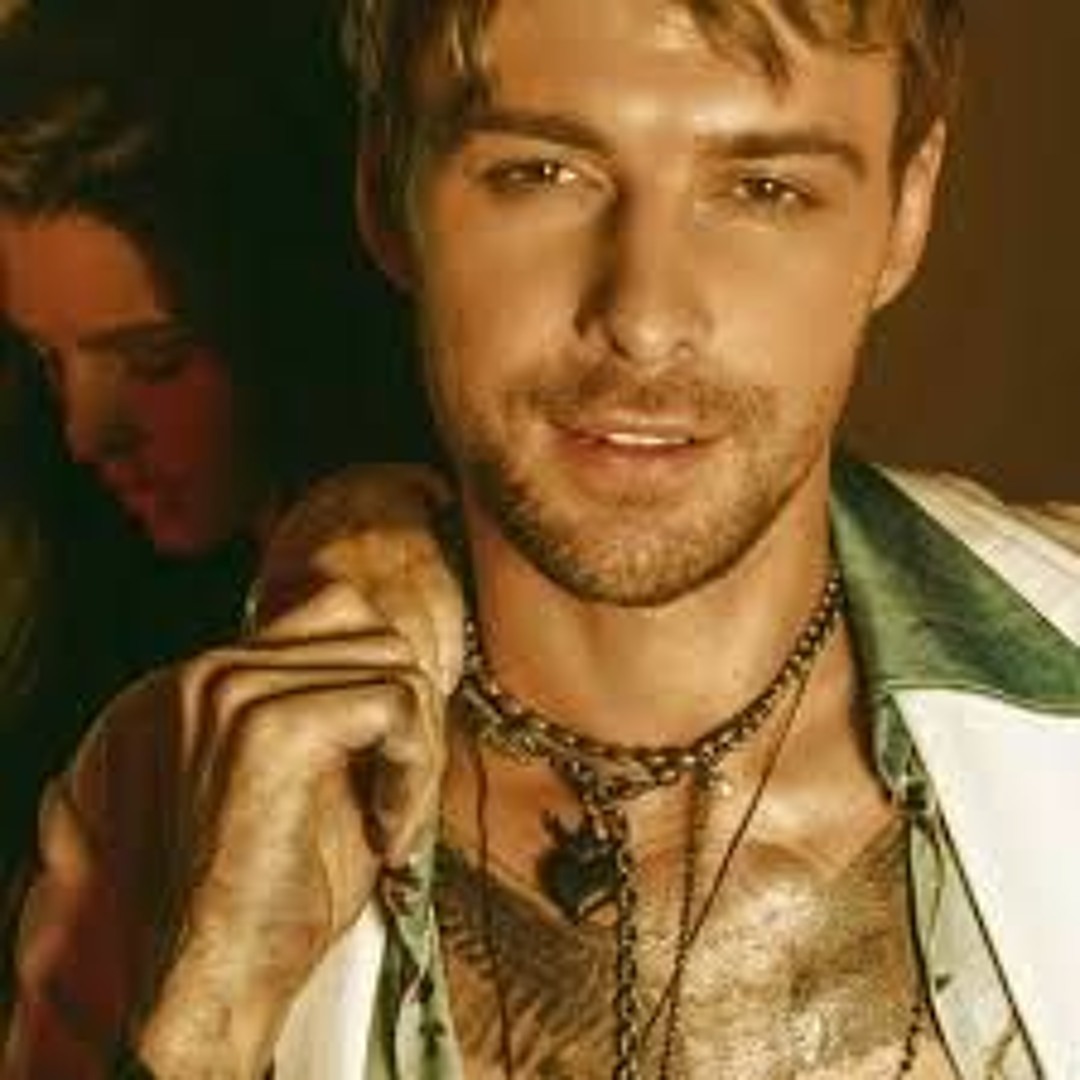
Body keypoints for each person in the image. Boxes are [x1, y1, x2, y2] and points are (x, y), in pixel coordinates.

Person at [7, 0, 1080, 1076]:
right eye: (540, 173)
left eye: (766, 189)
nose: (645, 320)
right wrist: (212, 1011)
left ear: (907, 210)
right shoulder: (153, 799)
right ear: (386, 188)